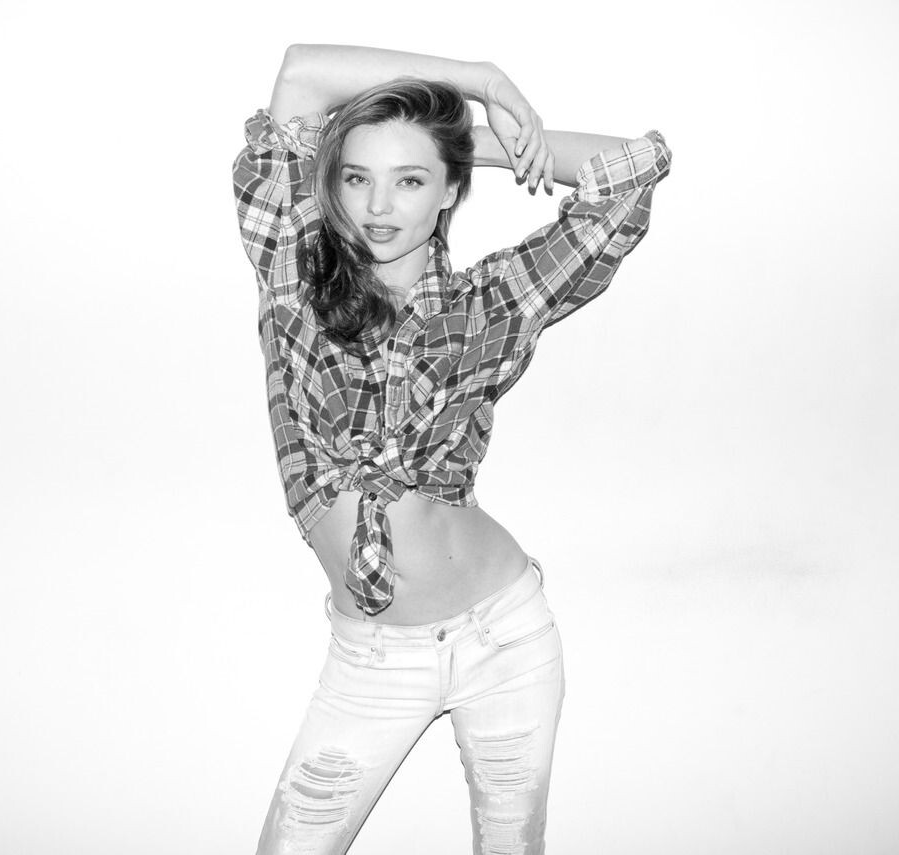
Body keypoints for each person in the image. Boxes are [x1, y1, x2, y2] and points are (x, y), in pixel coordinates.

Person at [232, 43, 672, 854]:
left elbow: (628, 173)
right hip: (373, 661)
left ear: (447, 190)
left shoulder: (488, 304)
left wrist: (477, 144)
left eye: (410, 180)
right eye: (356, 177)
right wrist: (480, 81)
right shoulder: (293, 268)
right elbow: (299, 75)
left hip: (505, 638)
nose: (378, 205)